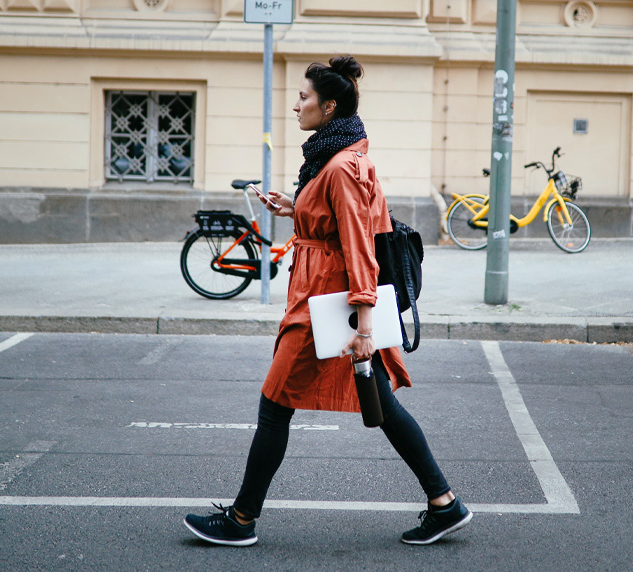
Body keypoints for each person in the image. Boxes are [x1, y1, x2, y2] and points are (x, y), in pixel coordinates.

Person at [183, 55, 472, 547]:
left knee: (275, 405)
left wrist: (363, 326)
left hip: (329, 301)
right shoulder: (335, 156)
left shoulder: (340, 166)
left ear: (329, 105)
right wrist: (295, 209)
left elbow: (359, 245)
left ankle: (241, 520)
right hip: (324, 293)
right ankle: (444, 503)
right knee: (380, 400)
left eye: (304, 97)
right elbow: (337, 224)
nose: (296, 104)